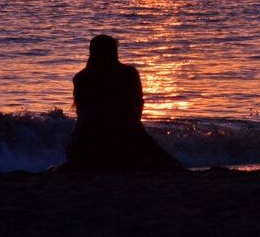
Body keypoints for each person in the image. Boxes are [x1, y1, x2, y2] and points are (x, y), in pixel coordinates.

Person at [63, 34, 183, 170]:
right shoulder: (129, 74)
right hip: (129, 138)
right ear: (114, 51)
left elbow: (82, 115)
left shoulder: (81, 78)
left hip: (89, 142)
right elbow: (139, 105)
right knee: (173, 167)